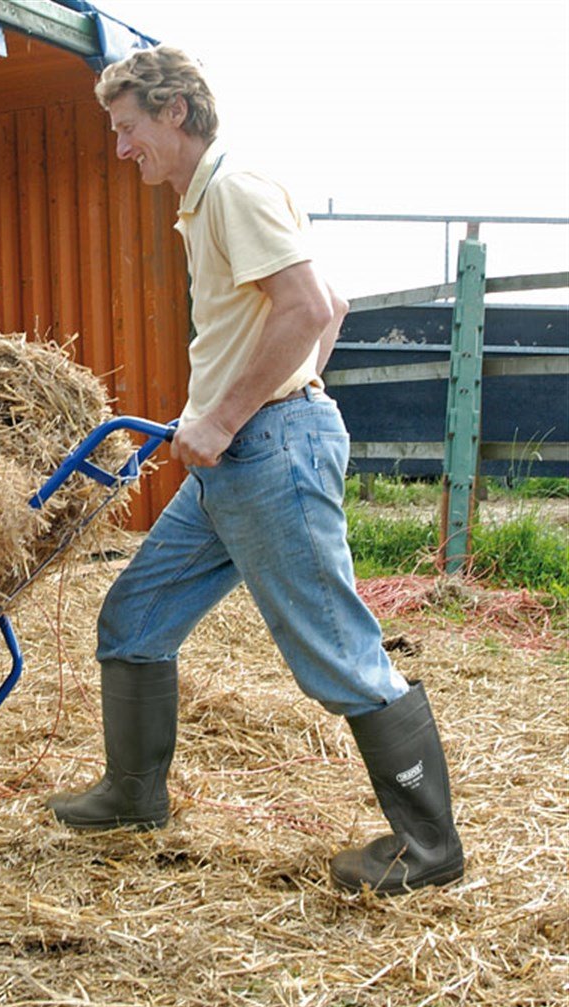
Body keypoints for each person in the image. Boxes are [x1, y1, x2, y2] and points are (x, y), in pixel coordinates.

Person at [48, 45, 464, 896]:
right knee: (133, 616)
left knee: (338, 658)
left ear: (176, 112)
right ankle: (133, 796)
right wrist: (250, 408)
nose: (122, 148)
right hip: (239, 456)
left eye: (129, 129)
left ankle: (428, 849)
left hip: (267, 451)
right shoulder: (206, 199)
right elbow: (333, 306)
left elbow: (308, 308)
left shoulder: (233, 186)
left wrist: (246, 412)